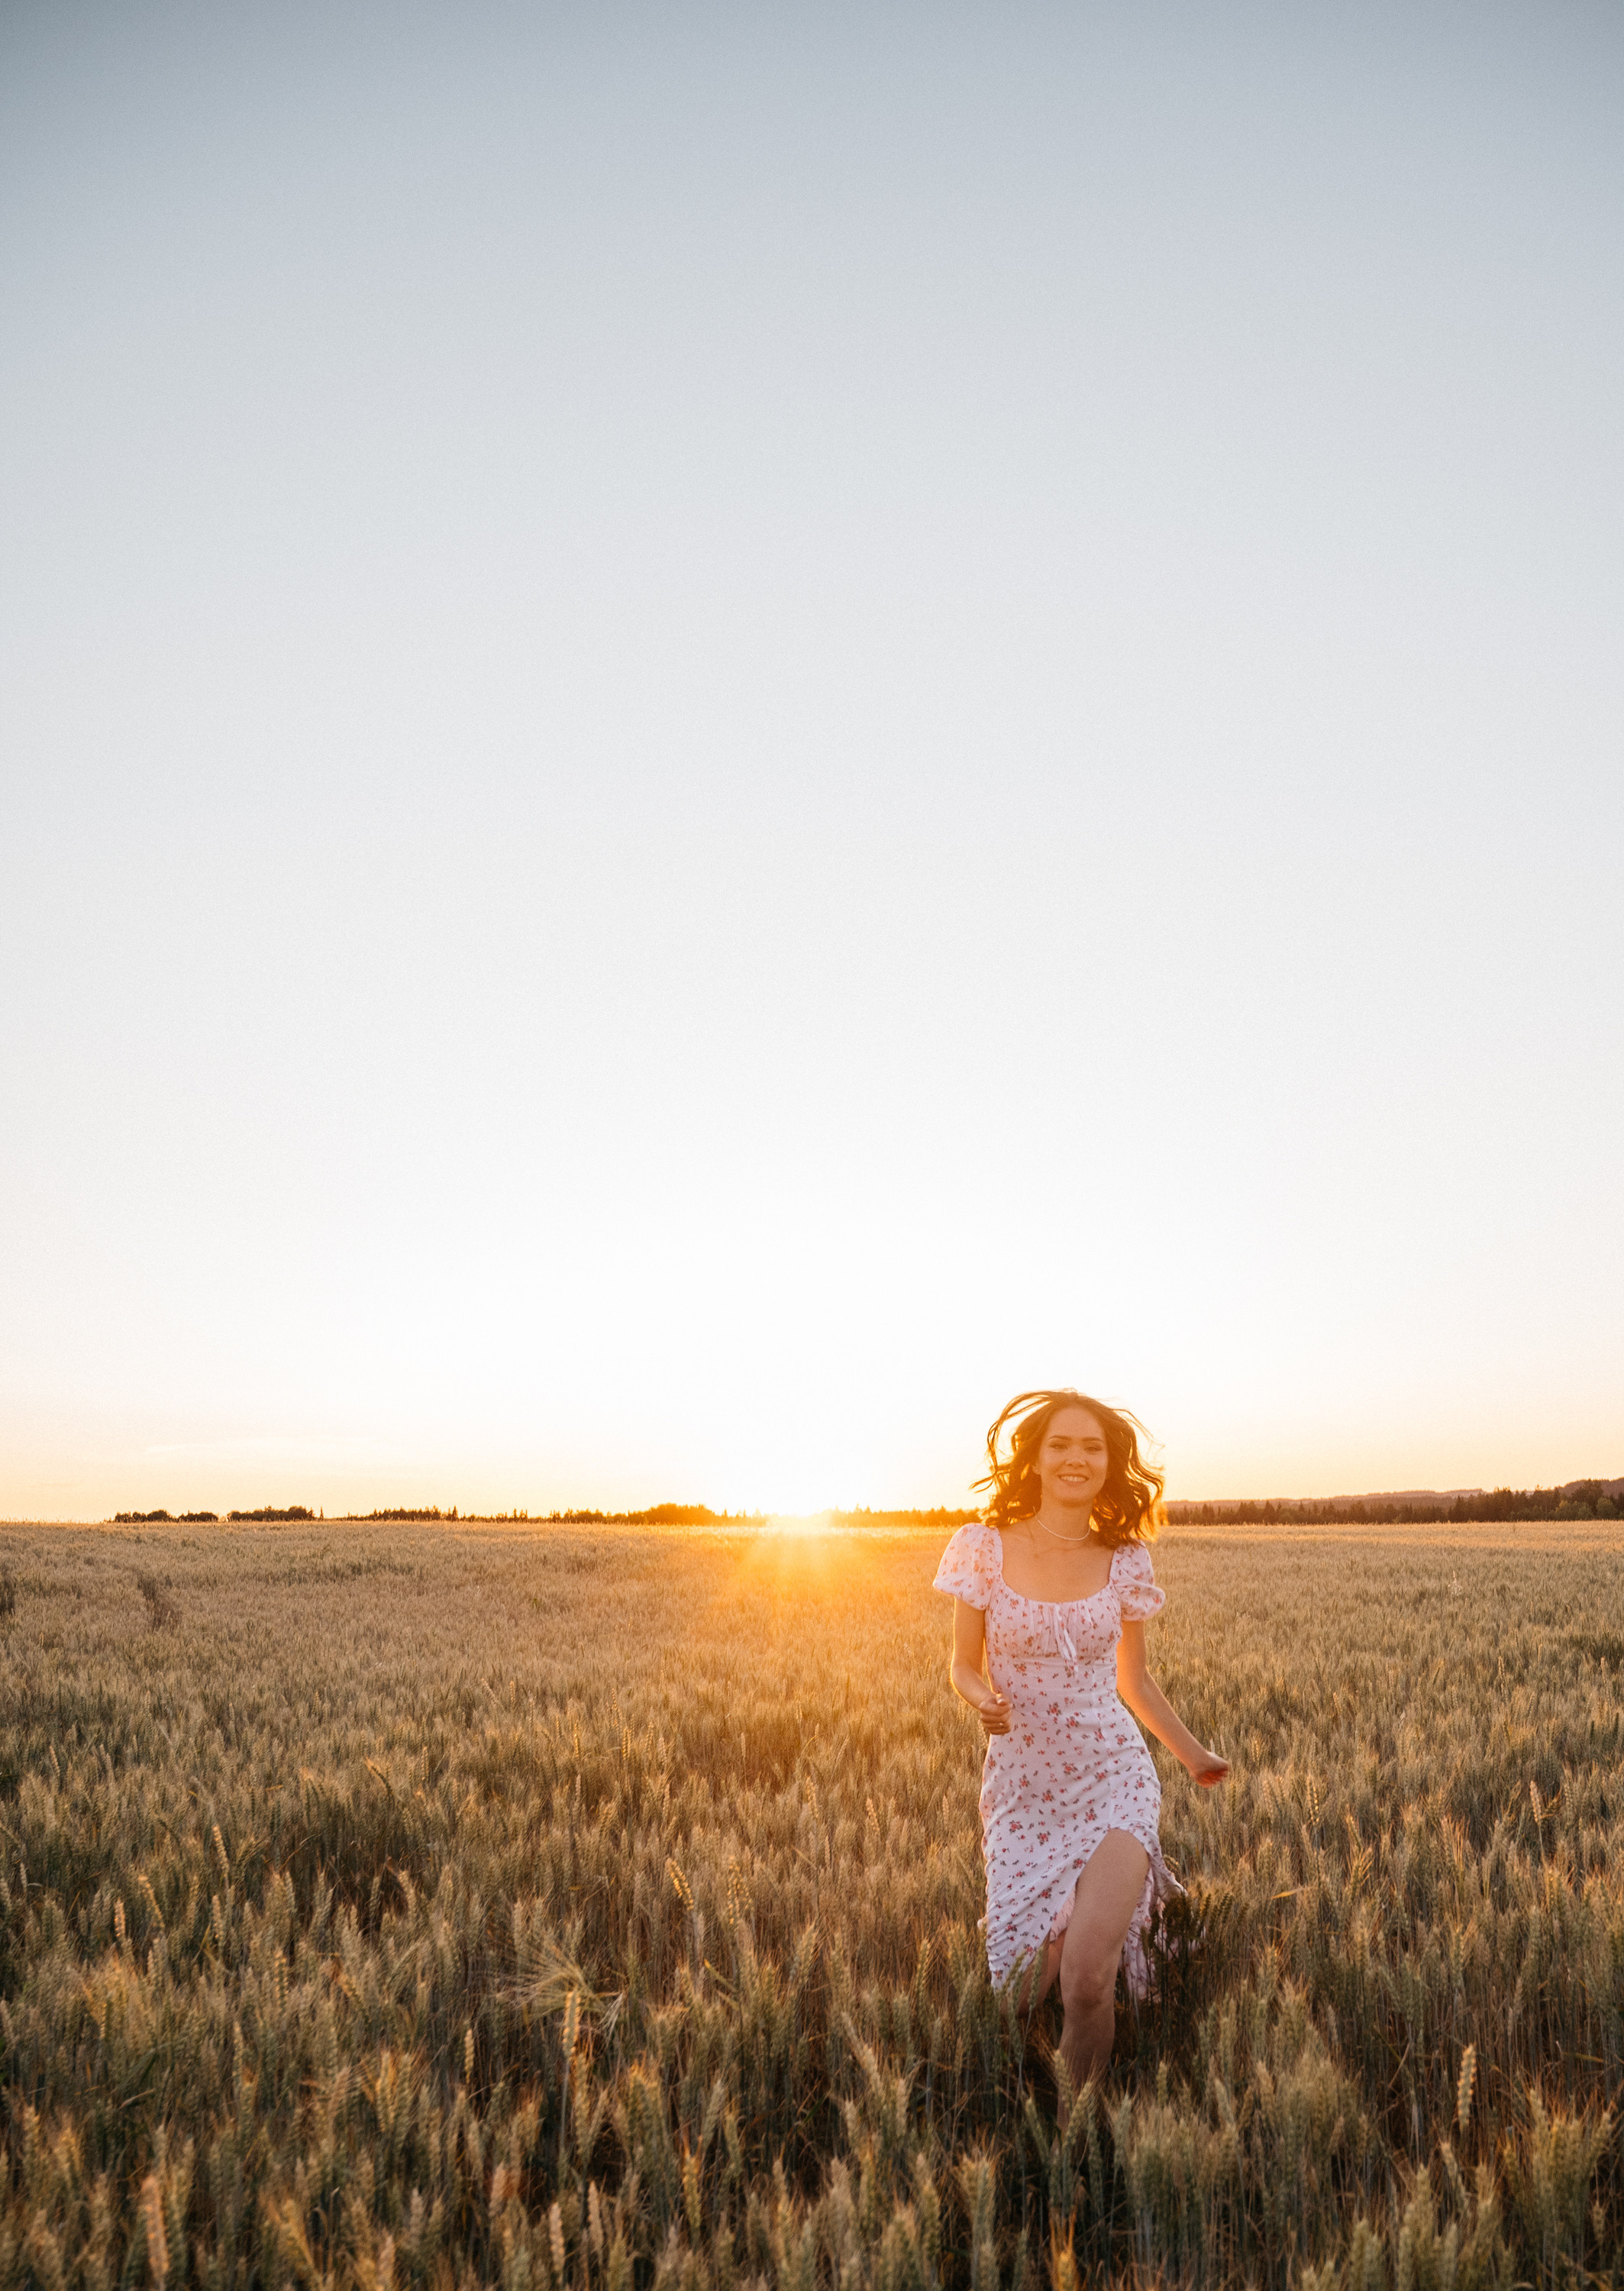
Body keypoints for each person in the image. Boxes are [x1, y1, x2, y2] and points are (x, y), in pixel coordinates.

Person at [935, 1388, 1228, 2086]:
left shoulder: (1125, 1557)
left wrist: (1192, 1756)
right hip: (1024, 1789)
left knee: (1087, 1981)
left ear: (1109, 1463)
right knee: (1017, 1994)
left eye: (1092, 1447)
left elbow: (1135, 1681)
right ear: (1033, 1458)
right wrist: (983, 1700)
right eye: (1060, 1445)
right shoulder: (981, 1547)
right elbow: (960, 1665)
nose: (1076, 1458)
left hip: (1113, 1777)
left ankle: (1075, 2144)